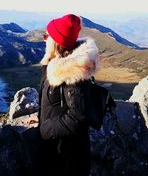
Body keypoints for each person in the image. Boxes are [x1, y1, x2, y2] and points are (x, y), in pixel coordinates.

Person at [37, 14, 99, 176]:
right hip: (56, 150)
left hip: (68, 158)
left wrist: (45, 128)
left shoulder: (71, 73)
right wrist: (41, 118)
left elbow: (78, 116)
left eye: (46, 37)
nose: (44, 40)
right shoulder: (54, 65)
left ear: (56, 43)